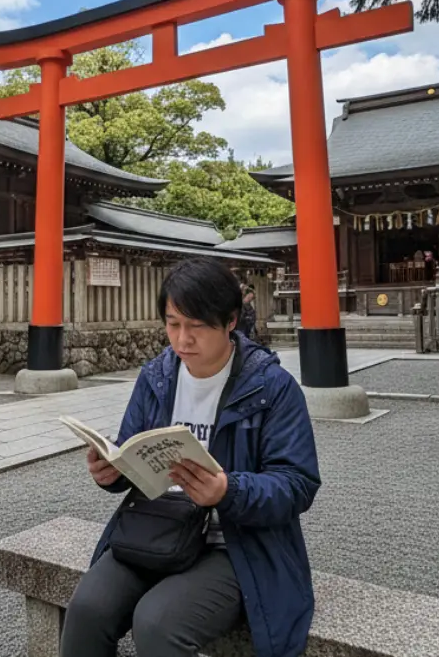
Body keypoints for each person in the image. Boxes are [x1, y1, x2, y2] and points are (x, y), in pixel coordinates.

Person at [61, 257, 321, 657]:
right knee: (85, 611)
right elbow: (134, 451)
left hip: (235, 544)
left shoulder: (272, 388)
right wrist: (111, 472)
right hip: (159, 527)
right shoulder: (157, 377)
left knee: (157, 624)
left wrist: (227, 490)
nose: (182, 340)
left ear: (231, 321)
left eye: (197, 326)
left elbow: (297, 483)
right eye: (173, 323)